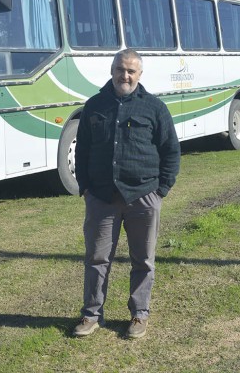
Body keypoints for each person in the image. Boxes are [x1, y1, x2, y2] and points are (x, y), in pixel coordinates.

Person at [72, 48, 180, 339]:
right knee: (97, 258)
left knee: (143, 260)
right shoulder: (94, 106)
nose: (125, 75)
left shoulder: (154, 108)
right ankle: (92, 314)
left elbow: (171, 150)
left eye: (131, 71)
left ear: (140, 74)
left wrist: (162, 190)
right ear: (112, 70)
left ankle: (139, 315)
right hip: (102, 197)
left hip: (144, 195)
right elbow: (81, 150)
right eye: (121, 69)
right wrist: (85, 188)